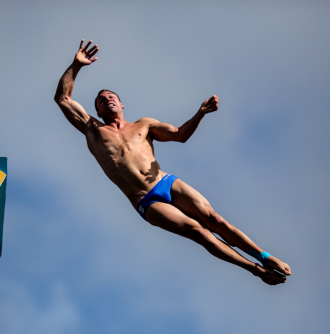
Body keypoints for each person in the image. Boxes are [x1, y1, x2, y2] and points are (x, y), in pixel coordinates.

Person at [54, 39, 292, 285]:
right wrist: (76, 65)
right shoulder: (93, 129)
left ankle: (264, 256)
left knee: (215, 219)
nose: (107, 99)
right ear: (99, 111)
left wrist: (200, 113)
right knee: (200, 233)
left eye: (111, 96)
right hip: (146, 200)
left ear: (122, 103)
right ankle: (256, 270)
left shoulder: (144, 124)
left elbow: (180, 135)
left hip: (166, 182)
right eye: (101, 100)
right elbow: (62, 97)